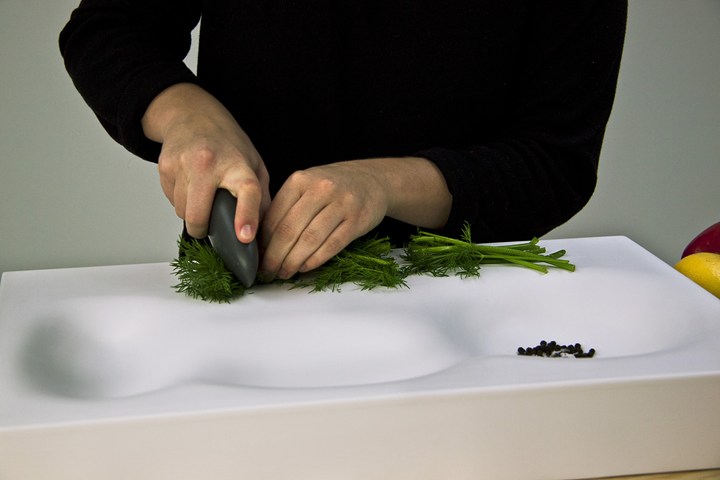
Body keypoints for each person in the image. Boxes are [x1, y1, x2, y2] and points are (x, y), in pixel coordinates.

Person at [60, 1, 627, 280]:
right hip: (252, 283)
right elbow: (109, 27)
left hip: (454, 293)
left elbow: (556, 161)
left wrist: (384, 184)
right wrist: (190, 117)